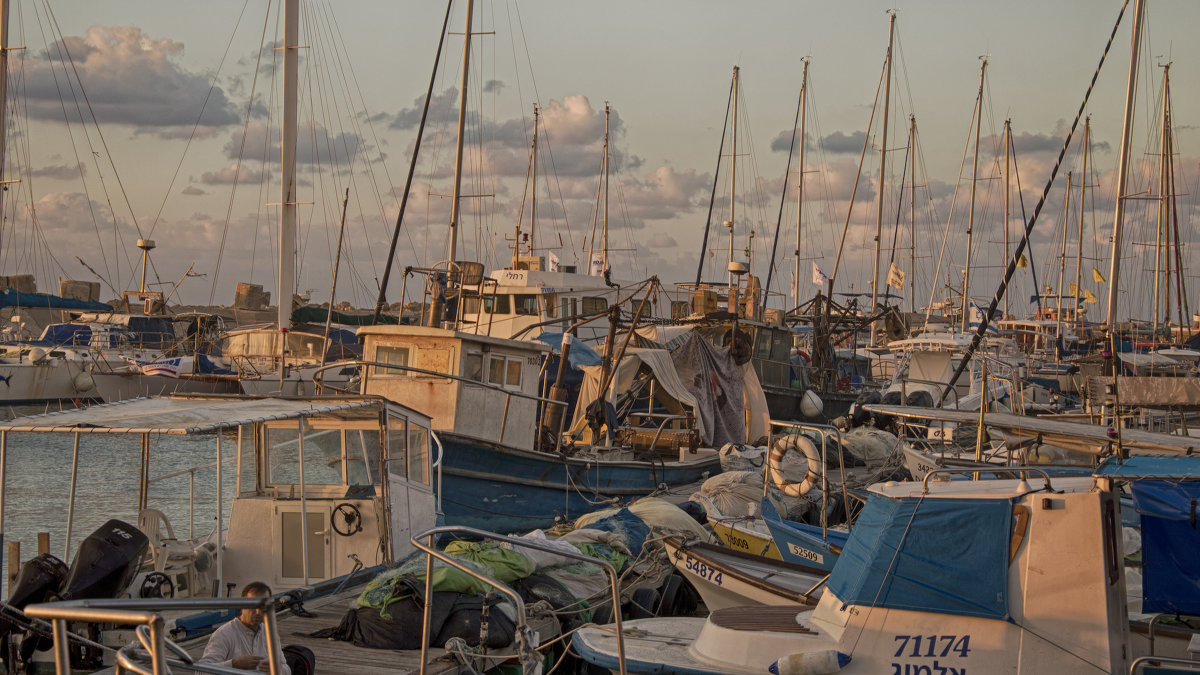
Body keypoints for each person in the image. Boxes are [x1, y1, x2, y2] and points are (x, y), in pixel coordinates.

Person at [198, 582, 291, 674]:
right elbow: (201, 672)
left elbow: (286, 668)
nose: (258, 612)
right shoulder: (224, 634)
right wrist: (233, 664)